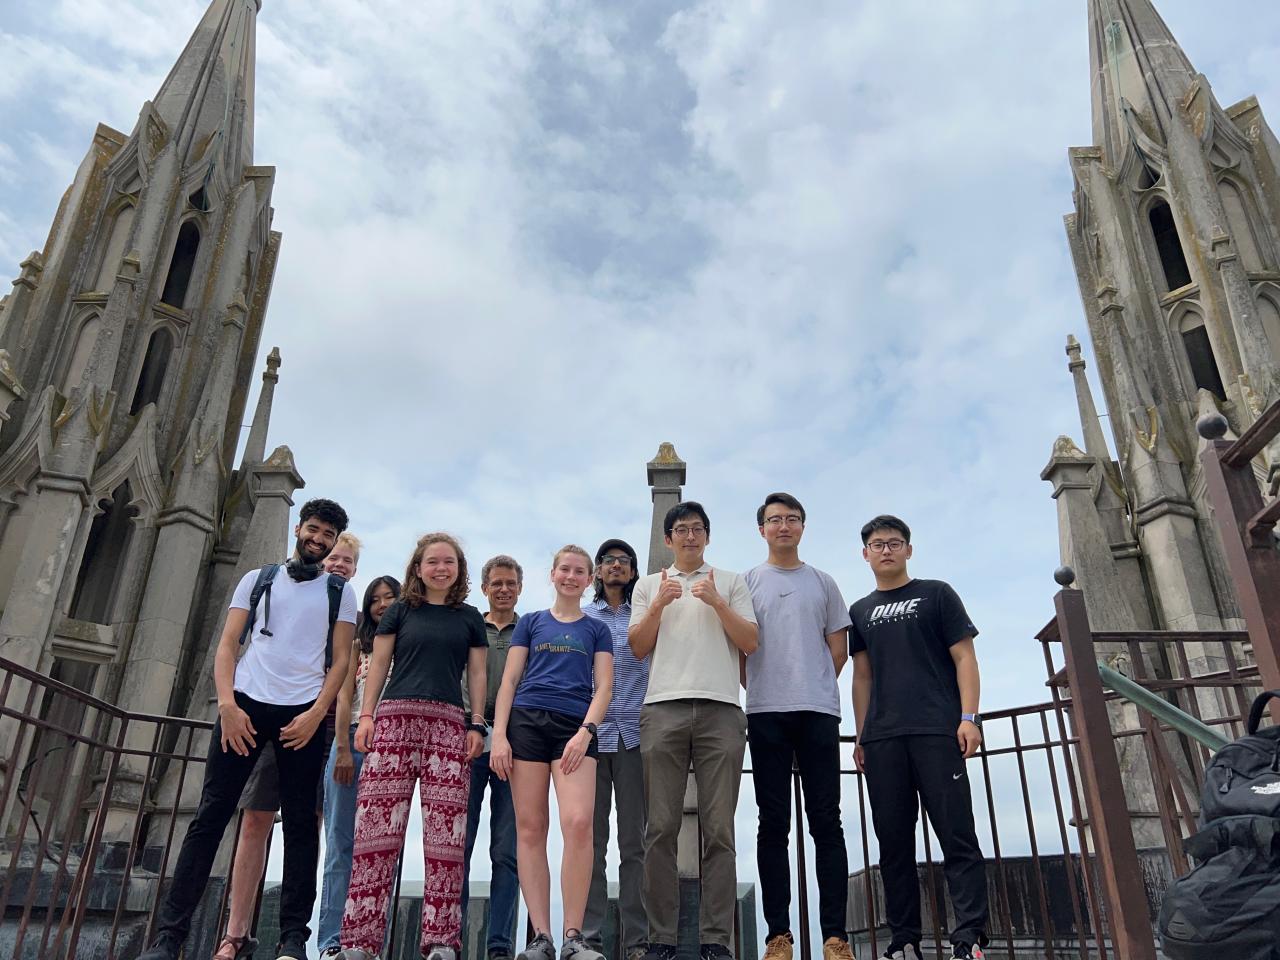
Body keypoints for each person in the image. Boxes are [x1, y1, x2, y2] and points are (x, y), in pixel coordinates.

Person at [139, 499, 357, 960]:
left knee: (301, 827)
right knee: (210, 820)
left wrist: (317, 714)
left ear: (334, 542)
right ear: (299, 528)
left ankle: (293, 937)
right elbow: (226, 645)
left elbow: (341, 660)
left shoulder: (340, 592)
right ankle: (169, 936)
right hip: (244, 710)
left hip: (302, 717)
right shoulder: (258, 580)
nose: (318, 541)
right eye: (313, 530)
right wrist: (227, 705)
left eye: (328, 537)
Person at [213, 531, 362, 960]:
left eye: (346, 560)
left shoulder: (348, 611)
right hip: (275, 717)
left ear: (353, 569)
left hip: (326, 733)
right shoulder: (279, 591)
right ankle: (235, 932)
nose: (337, 563)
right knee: (256, 820)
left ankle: (293, 936)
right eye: (333, 556)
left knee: (307, 828)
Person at [339, 532, 488, 960]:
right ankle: (359, 942)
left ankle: (441, 941)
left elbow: (477, 675)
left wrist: (475, 723)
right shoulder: (401, 610)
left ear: (459, 569)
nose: (441, 568)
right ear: (418, 568)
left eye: (450, 562)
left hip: (448, 725)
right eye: (432, 561)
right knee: (376, 833)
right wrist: (366, 717)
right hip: (394, 720)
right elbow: (380, 664)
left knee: (446, 839)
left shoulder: (470, 617)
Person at [848, 516, 988, 960]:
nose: (885, 550)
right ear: (865, 553)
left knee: (956, 834)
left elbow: (965, 656)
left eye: (894, 543)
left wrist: (969, 717)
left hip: (937, 730)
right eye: (876, 544)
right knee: (893, 843)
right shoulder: (860, 610)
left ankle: (969, 936)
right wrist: (862, 736)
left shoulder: (937, 593)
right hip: (884, 739)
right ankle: (904, 939)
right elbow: (862, 676)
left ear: (909, 549)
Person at [629, 502, 758, 960]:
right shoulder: (648, 586)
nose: (689, 536)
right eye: (680, 530)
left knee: (719, 829)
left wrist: (718, 602)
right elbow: (638, 648)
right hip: (662, 708)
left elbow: (750, 641)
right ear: (668, 540)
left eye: (697, 529)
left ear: (708, 535)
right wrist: (661, 605)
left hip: (721, 709)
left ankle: (715, 939)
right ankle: (661, 937)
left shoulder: (732, 581)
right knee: (659, 828)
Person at [491, 545, 614, 960]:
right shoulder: (531, 622)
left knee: (579, 823)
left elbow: (605, 687)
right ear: (553, 574)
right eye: (565, 569)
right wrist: (500, 736)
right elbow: (509, 681)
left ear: (589, 579)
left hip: (575, 728)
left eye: (580, 571)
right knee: (530, 828)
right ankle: (541, 935)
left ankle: (574, 936)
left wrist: (585, 732)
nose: (571, 576)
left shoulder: (597, 629)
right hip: (526, 724)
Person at [744, 494, 853, 960]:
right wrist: (766, 687)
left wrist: (810, 682)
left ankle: (835, 936)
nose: (783, 526)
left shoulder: (823, 582)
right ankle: (778, 935)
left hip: (817, 711)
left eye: (791, 519)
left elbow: (839, 648)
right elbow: (740, 649)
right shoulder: (747, 582)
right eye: (774, 520)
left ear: (803, 527)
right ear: (762, 529)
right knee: (773, 825)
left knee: (827, 821)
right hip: (765, 712)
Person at [317, 574, 402, 960]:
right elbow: (344, 697)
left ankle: (370, 944)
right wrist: (343, 749)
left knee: (381, 849)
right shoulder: (358, 646)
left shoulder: (410, 645)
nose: (382, 604)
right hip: (352, 742)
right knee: (340, 844)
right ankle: (332, 941)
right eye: (376, 599)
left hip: (393, 747)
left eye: (390, 597)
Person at [581, 539, 648, 960]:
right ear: (597, 572)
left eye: (624, 561)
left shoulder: (645, 618)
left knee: (634, 845)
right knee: (590, 841)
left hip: (635, 738)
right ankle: (588, 937)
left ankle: (637, 942)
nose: (616, 567)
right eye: (608, 561)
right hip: (588, 739)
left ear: (633, 570)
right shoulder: (584, 617)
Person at [460, 556, 524, 960]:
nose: (504, 589)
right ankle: (449, 939)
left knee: (507, 850)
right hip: (466, 739)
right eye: (497, 583)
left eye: (511, 583)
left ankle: (499, 946)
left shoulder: (530, 630)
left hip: (515, 745)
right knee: (457, 846)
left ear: (520, 587)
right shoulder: (468, 626)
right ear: (484, 588)